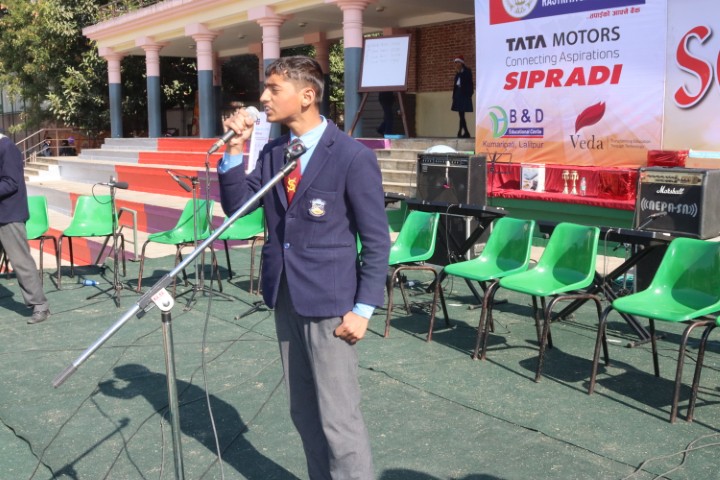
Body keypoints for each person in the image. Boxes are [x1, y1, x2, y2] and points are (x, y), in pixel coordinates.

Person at [218, 56, 390, 480]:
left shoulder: (351, 156)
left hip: (331, 304)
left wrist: (364, 309)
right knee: (304, 413)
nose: (263, 97)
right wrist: (234, 149)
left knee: (338, 420)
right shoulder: (275, 152)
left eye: (274, 88)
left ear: (307, 95)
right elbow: (238, 206)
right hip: (285, 296)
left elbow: (376, 240)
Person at [0, 134, 50, 324]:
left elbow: (11, 183)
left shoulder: (7, 148)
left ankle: (40, 306)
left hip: (9, 215)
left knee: (21, 262)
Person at [451, 55, 474, 138]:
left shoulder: (467, 71)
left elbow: (469, 82)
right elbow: (455, 85)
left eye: (457, 62)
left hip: (464, 94)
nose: (456, 64)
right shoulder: (458, 73)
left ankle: (461, 132)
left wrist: (470, 94)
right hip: (458, 94)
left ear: (461, 63)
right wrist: (454, 96)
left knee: (461, 114)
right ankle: (465, 132)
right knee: (461, 114)